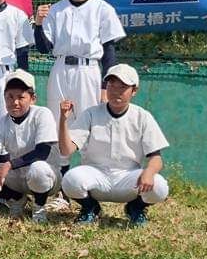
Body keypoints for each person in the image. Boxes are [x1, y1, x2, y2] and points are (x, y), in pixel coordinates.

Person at [34, 0, 127, 213]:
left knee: (88, 127)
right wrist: (38, 24)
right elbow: (43, 48)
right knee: (59, 124)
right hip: (61, 68)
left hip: (89, 71)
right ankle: (63, 190)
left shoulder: (102, 9)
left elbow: (109, 52)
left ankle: (87, 190)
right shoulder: (56, 10)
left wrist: (106, 87)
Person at [58, 64, 170, 225]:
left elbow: (156, 158)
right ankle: (90, 208)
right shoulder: (91, 113)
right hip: (96, 175)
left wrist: (149, 172)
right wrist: (63, 120)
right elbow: (66, 150)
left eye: (122, 87)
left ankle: (136, 208)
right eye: (111, 85)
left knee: (159, 186)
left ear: (134, 90)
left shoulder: (142, 116)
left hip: (128, 178)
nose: (116, 91)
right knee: (70, 179)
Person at [0, 70, 61, 223]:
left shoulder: (42, 114)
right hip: (17, 177)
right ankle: (16, 199)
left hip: (47, 177)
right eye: (10, 97)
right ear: (4, 98)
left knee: (38, 168)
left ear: (33, 98)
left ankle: (39, 206)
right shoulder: (1, 122)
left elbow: (42, 152)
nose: (15, 102)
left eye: (21, 97)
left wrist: (9, 164)